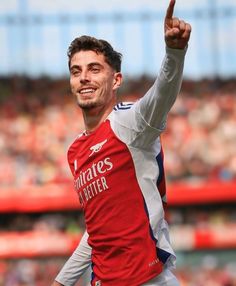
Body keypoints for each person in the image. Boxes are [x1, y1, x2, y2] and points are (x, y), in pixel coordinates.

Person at [52, 0, 191, 285]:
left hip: (150, 279)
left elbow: (161, 96)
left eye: (94, 69)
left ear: (116, 80)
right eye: (76, 71)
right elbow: (97, 232)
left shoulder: (130, 123)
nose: (84, 78)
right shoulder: (75, 151)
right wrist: (61, 282)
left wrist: (175, 53)